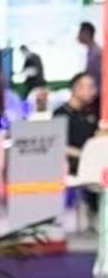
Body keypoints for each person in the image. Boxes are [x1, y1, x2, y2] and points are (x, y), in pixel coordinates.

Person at [55, 72, 101, 216]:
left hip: (93, 162)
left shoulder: (91, 114)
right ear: (77, 88)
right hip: (72, 164)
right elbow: (57, 146)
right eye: (90, 87)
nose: (94, 91)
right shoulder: (60, 114)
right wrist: (84, 155)